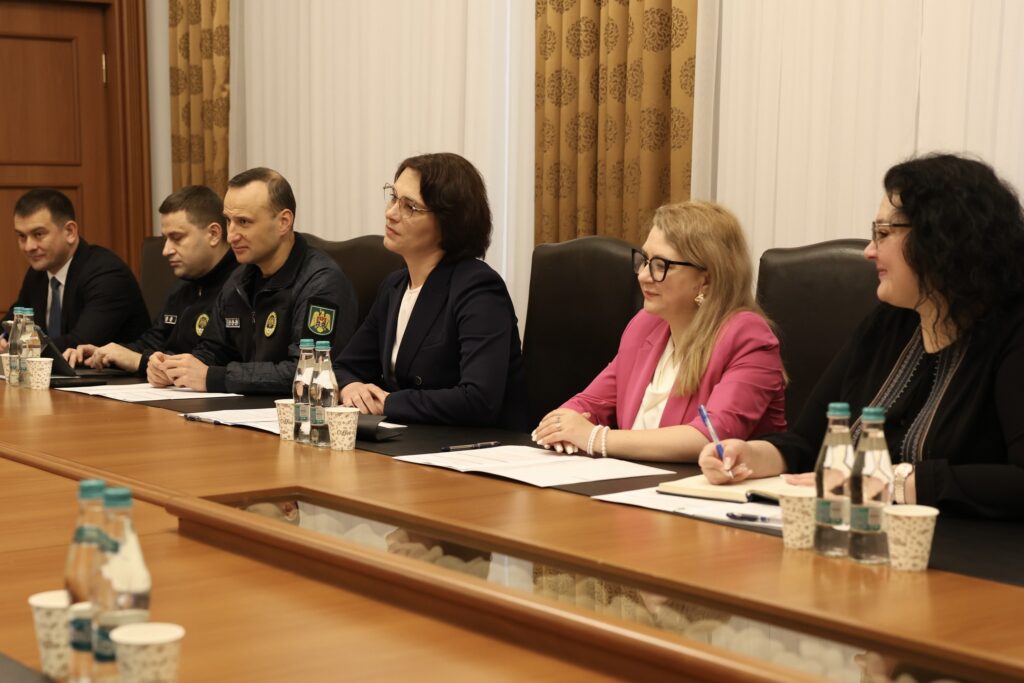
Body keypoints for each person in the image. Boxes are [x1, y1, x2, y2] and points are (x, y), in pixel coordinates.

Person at [699, 154, 1024, 519]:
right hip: (857, 531)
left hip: (963, 548)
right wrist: (750, 456)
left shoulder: (1013, 331)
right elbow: (807, 441)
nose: (869, 251)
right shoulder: (889, 323)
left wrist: (895, 482)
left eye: (883, 234)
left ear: (942, 239)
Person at [532, 201, 786, 460]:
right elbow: (588, 404)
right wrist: (562, 426)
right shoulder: (645, 325)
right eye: (644, 261)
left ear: (707, 279)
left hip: (712, 484)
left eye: (661, 265)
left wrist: (595, 438)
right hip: (636, 480)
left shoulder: (749, 337)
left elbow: (710, 436)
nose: (643, 276)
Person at [335, 152, 528, 430]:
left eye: (410, 207)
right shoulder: (394, 286)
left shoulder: (478, 288)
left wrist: (389, 403)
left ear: (450, 222)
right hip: (412, 439)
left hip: (476, 445)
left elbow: (479, 399)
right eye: (393, 197)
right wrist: (351, 388)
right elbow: (345, 366)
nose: (391, 213)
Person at [148, 167, 358, 394]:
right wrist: (173, 368)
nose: (231, 235)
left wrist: (214, 377)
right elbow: (213, 351)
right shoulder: (239, 279)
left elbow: (308, 372)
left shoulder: (321, 282)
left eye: (244, 222)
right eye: (228, 221)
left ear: (283, 222)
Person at [63, 185, 237, 375]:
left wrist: (138, 361)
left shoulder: (240, 287)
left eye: (177, 238)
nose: (166, 250)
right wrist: (105, 354)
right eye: (165, 239)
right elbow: (153, 343)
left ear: (213, 234)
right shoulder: (183, 287)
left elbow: (208, 361)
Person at [1, 188, 149, 352]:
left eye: (39, 234)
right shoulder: (38, 273)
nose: (29, 247)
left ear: (70, 232)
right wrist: (3, 338)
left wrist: (17, 346)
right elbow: (13, 324)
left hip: (111, 368)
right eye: (22, 236)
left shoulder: (108, 274)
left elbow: (81, 343)